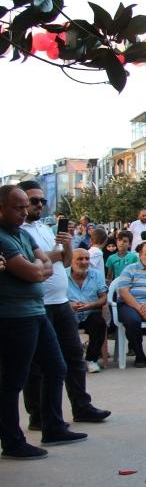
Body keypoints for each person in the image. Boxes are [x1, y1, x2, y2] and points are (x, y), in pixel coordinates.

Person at [0, 185, 88, 459]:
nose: (25, 211)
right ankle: (12, 440)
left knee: (57, 366)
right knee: (14, 379)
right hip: (15, 316)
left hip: (36, 312)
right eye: (19, 207)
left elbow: (51, 264)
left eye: (28, 206)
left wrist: (38, 267)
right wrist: (37, 267)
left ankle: (53, 426)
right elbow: (33, 272)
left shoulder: (23, 234)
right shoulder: (3, 238)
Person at [18, 181, 111, 430]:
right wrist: (53, 256)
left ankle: (81, 406)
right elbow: (25, 260)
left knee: (72, 356)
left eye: (41, 201)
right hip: (39, 304)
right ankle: (38, 416)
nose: (38, 205)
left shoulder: (45, 229)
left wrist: (66, 246)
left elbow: (67, 260)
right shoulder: (18, 231)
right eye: (33, 201)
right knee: (38, 364)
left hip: (61, 303)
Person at [66, 249, 108, 374]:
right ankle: (71, 360)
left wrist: (91, 305)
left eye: (87, 259)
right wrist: (69, 305)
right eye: (80, 259)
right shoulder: (62, 275)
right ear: (71, 261)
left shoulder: (96, 274)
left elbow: (103, 298)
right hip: (69, 312)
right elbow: (56, 298)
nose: (84, 262)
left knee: (99, 322)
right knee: (63, 323)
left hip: (90, 312)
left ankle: (91, 360)